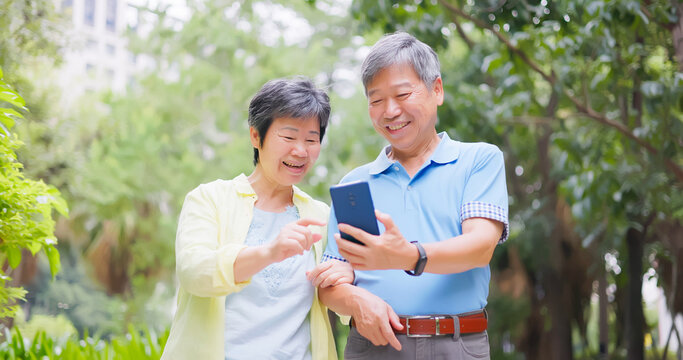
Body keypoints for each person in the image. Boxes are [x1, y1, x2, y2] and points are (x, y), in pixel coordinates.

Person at [308, 32, 509, 359]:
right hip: (372, 345)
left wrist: (405, 256)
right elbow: (330, 284)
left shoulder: (479, 160)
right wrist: (357, 300)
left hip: (457, 344)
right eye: (376, 100)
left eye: (402, 94)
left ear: (437, 90)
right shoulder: (354, 184)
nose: (390, 111)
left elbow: (479, 247)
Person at [161, 78, 352, 360]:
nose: (300, 151)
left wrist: (350, 276)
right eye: (288, 137)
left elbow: (344, 309)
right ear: (255, 136)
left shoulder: (321, 215)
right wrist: (269, 252)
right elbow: (193, 272)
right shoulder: (209, 199)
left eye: (311, 139)